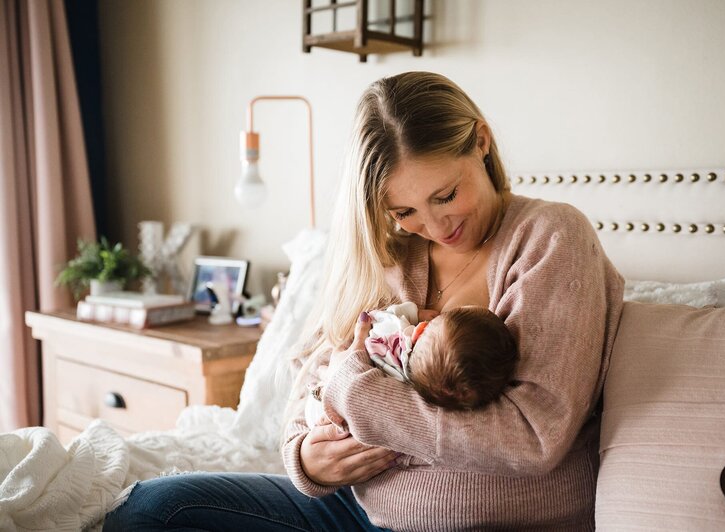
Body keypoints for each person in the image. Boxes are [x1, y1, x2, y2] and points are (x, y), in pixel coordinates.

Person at [103, 71, 624, 531]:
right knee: (151, 510)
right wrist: (307, 458)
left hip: (489, 520)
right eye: (405, 210)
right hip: (357, 510)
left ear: (481, 143)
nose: (436, 227)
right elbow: (311, 376)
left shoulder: (551, 237)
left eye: (445, 195)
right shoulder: (387, 252)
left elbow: (531, 437)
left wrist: (357, 395)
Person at [305, 302, 519, 429]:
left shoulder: (392, 332)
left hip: (325, 395)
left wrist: (413, 313)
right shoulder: (405, 389)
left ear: (419, 330)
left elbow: (378, 316)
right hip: (333, 415)